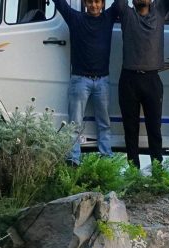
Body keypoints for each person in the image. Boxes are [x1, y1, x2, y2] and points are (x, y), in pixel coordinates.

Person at [116, 0, 169, 169]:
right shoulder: (126, 14)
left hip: (152, 79)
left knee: (154, 129)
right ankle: (133, 173)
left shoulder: (159, 12)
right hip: (129, 79)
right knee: (130, 130)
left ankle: (157, 172)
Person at [54, 0, 119, 166]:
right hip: (80, 80)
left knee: (104, 124)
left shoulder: (108, 17)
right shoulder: (75, 18)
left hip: (103, 81)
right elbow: (60, 4)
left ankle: (106, 159)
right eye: (90, 1)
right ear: (85, 3)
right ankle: (73, 159)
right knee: (74, 124)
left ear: (103, 4)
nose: (94, 5)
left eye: (97, 2)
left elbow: (120, 3)